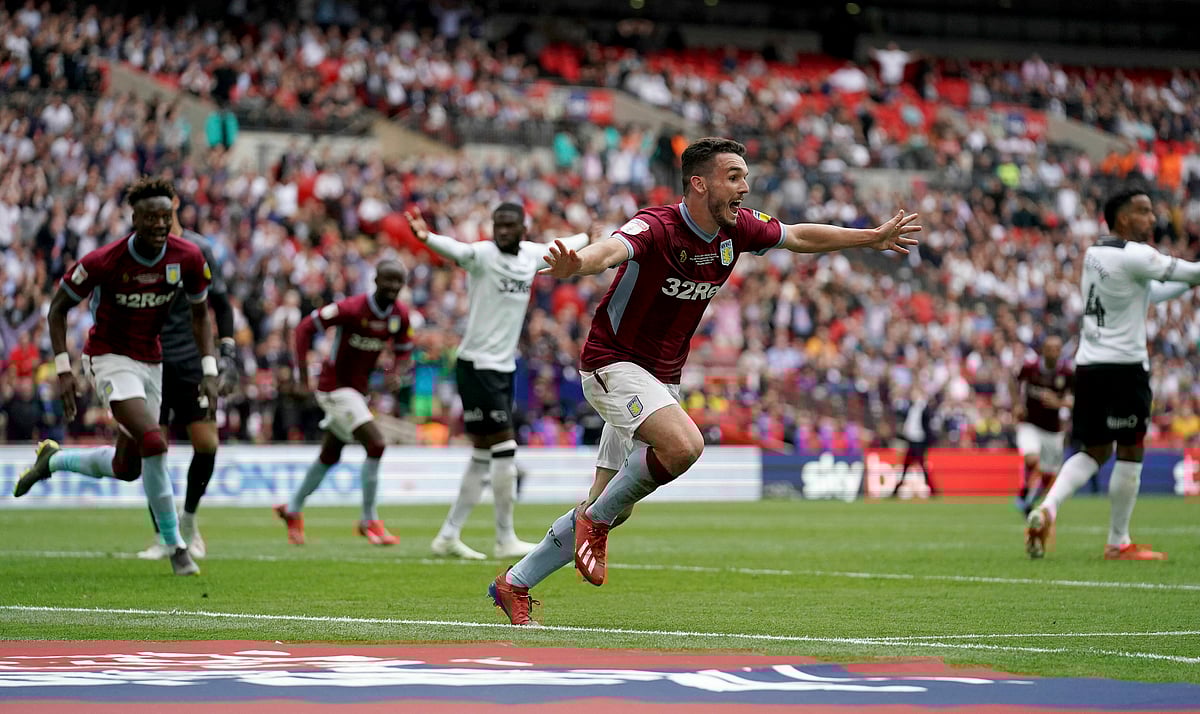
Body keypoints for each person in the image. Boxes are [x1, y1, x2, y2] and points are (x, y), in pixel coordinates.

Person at [487, 137, 920, 625]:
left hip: (661, 380)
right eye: (733, 177)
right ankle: (594, 523)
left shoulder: (738, 229)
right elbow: (610, 249)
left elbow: (798, 236)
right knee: (683, 446)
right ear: (699, 183)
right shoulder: (658, 226)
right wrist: (578, 264)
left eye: (745, 177)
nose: (745, 187)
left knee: (611, 504)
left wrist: (870, 237)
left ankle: (515, 582)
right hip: (614, 365)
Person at [12, 176, 217, 577]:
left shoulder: (188, 257)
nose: (160, 224)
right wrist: (64, 369)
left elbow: (201, 315)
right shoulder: (105, 261)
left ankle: (53, 461)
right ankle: (175, 545)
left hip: (151, 362)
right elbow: (57, 309)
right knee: (154, 440)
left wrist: (209, 368)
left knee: (128, 467)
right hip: (107, 358)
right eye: (151, 217)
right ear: (133, 218)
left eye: (166, 216)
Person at [405, 204, 594, 560]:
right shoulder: (482, 255)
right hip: (477, 365)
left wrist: (588, 235)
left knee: (482, 454)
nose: (503, 231)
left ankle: (448, 535)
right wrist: (426, 237)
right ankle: (505, 537)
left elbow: (558, 246)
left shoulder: (530, 256)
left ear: (523, 229)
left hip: (503, 367)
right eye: (498, 225)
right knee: (505, 449)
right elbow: (457, 250)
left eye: (509, 225)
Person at [1025, 188, 1200, 561]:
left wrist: (1187, 282)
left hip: (1089, 367)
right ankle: (1118, 541)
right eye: (1143, 211)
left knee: (1094, 449)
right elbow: (1190, 271)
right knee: (1130, 449)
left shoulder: (1095, 253)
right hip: (1125, 370)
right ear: (1122, 217)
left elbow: (1147, 294)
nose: (1152, 218)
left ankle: (1048, 508)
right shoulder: (1137, 254)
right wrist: (1191, 278)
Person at [273, 260, 413, 546]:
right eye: (388, 280)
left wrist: (395, 373)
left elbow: (403, 349)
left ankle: (293, 508)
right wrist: (302, 377)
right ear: (375, 280)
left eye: (398, 281)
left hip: (358, 392)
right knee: (376, 444)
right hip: (334, 388)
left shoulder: (399, 315)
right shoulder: (351, 308)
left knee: (330, 454)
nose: (393, 287)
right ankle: (368, 520)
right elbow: (303, 329)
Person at [137, 197, 239, 561]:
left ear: (176, 203)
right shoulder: (136, 251)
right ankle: (164, 535)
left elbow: (221, 304)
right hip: (149, 359)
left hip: (192, 359)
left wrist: (227, 354)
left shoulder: (198, 249)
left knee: (207, 444)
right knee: (153, 448)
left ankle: (190, 521)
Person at [1012, 335, 1073, 517]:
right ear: (1043, 351)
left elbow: (1079, 400)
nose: (1053, 353)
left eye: (1057, 349)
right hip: (1029, 424)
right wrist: (1017, 404)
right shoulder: (1030, 368)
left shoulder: (1067, 373)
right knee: (1033, 459)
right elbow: (1014, 382)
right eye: (1050, 349)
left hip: (1053, 430)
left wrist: (1059, 403)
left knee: (1049, 477)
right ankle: (1026, 493)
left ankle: (1027, 500)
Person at [889, 386, 938, 498]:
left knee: (919, 466)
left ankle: (933, 489)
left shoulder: (924, 407)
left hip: (919, 442)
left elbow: (927, 423)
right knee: (906, 466)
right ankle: (896, 490)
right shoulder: (911, 407)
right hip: (911, 441)